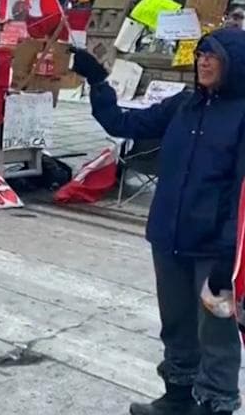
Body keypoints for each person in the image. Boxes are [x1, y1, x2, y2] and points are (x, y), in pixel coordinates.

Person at [70, 29, 245, 415]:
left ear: (234, 64)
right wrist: (98, 81)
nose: (203, 61)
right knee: (177, 325)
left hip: (213, 247)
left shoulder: (242, 115)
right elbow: (123, 124)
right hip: (169, 236)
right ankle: (179, 396)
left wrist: (228, 254)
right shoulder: (183, 105)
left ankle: (215, 404)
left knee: (216, 334)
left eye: (213, 56)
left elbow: (242, 193)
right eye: (200, 54)